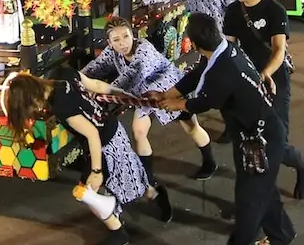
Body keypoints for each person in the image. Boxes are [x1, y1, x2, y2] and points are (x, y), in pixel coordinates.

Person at [151, 13, 296, 245]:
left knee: (249, 201)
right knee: (260, 189)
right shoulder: (223, 50)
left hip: (263, 139)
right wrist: (168, 94)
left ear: (195, 45)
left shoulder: (223, 70)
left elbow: (205, 101)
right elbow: (196, 75)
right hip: (251, 134)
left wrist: (176, 105)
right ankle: (281, 233)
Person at [4, 67, 172, 245]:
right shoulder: (63, 76)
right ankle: (155, 195)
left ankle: (118, 232)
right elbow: (97, 85)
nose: (35, 110)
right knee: (127, 179)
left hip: (105, 145)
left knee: (86, 191)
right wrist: (123, 95)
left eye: (30, 107)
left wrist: (96, 171)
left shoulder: (61, 107)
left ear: (33, 98)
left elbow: (92, 134)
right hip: (113, 129)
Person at [83, 17, 217, 182]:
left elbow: (131, 76)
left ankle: (210, 162)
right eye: (116, 40)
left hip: (170, 89)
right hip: (144, 95)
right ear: (109, 42)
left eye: (126, 36)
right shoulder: (112, 53)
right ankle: (148, 177)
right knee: (138, 132)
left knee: (191, 127)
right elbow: (95, 67)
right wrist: (76, 79)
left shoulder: (143, 49)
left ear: (132, 34)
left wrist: (102, 92)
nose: (123, 43)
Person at [225, 0, 304, 200]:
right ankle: (258, 199)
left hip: (275, 81)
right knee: (248, 143)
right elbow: (230, 49)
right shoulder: (233, 11)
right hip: (247, 82)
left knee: (275, 142)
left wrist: (265, 74)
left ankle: (302, 164)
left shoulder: (275, 10)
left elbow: (278, 51)